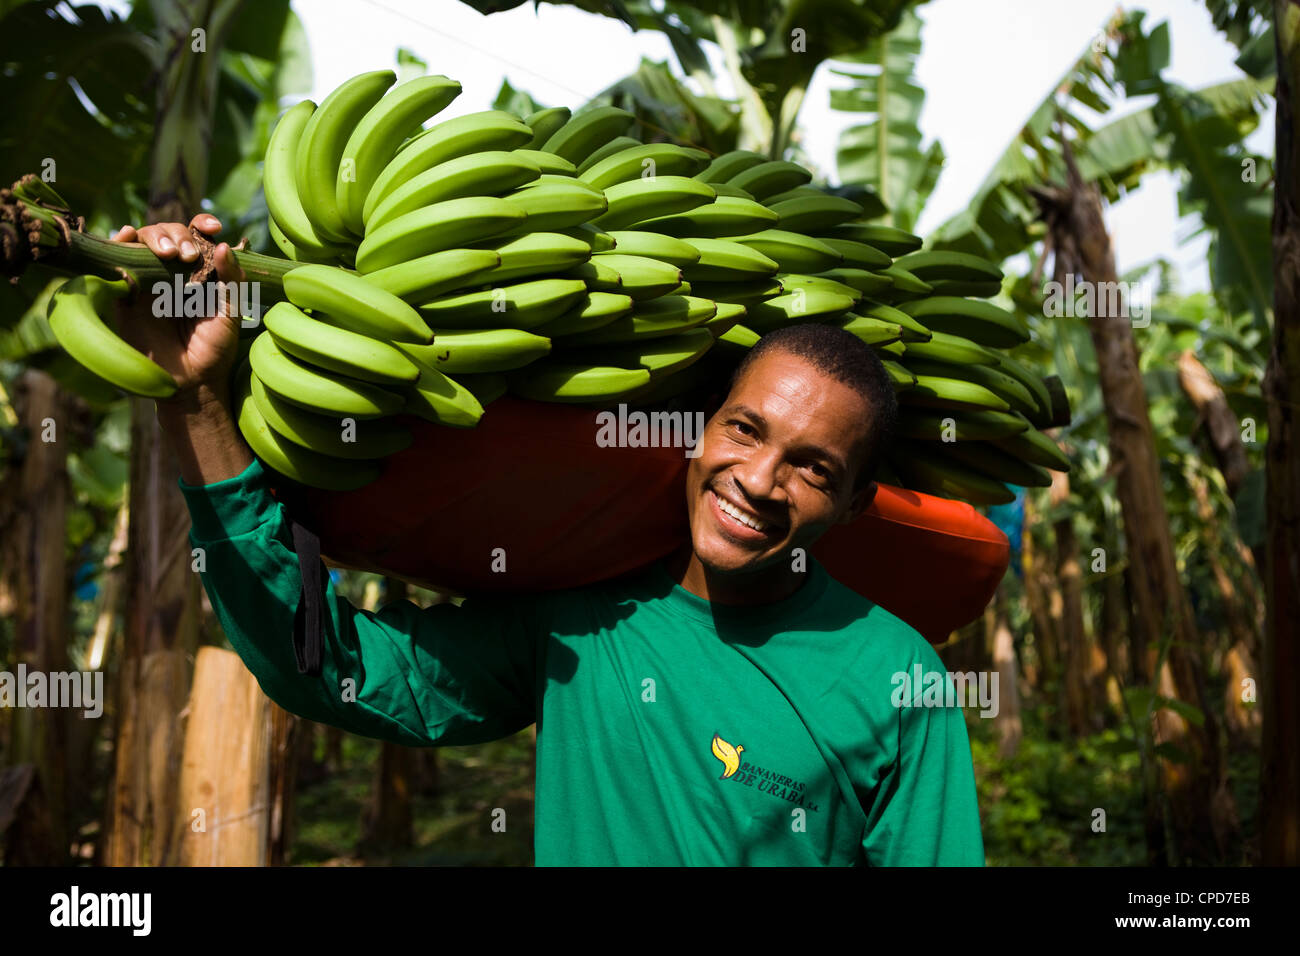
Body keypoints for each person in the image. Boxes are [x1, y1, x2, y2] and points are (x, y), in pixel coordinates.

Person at [112, 214, 986, 867]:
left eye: (813, 470)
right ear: (698, 428)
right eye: (745, 431)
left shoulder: (895, 680)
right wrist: (195, 401)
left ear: (859, 500)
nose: (757, 481)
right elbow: (332, 669)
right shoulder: (580, 616)